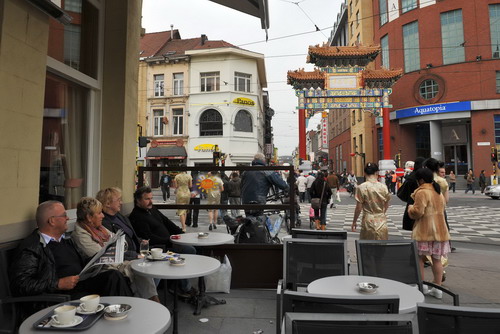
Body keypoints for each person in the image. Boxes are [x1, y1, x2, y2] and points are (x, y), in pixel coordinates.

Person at [10, 201, 133, 299]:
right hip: (59, 296)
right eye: (64, 215)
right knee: (93, 295)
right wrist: (57, 284)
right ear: (52, 221)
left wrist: (100, 258)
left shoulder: (64, 240)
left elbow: (82, 262)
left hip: (79, 284)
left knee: (114, 276)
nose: (68, 218)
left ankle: (125, 314)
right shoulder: (31, 247)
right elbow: (22, 284)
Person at [72, 197, 159, 302]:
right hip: (102, 270)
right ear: (89, 217)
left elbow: (123, 242)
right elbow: (101, 257)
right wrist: (114, 247)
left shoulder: (99, 228)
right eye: (99, 213)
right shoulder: (81, 234)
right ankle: (148, 302)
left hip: (116, 262)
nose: (103, 216)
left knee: (142, 267)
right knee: (139, 269)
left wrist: (113, 246)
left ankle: (151, 301)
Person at [129, 186, 196, 296]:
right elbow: (149, 237)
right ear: (138, 201)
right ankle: (184, 287)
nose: (151, 201)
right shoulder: (137, 216)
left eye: (151, 198)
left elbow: (167, 222)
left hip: (168, 243)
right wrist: (171, 241)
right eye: (147, 199)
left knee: (190, 248)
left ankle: (178, 285)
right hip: (160, 248)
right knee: (189, 250)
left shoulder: (152, 209)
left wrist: (182, 234)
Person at [408, 168, 451, 299]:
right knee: (436, 260)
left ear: (420, 180)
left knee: (420, 259)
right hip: (440, 231)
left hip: (425, 231)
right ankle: (437, 288)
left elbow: (418, 212)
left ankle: (421, 286)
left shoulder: (422, 192)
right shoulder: (438, 191)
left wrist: (410, 208)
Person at [98, 187, 142, 261]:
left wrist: (141, 242)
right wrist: (136, 255)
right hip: (127, 259)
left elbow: (130, 235)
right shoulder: (104, 223)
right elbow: (113, 250)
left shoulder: (119, 216)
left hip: (137, 253)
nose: (121, 203)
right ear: (108, 203)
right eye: (118, 200)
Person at [351, 163, 391, 240]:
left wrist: (354, 221)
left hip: (368, 221)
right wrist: (381, 213)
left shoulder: (361, 187)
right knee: (381, 248)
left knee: (367, 247)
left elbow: (358, 208)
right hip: (381, 221)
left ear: (365, 173)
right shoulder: (383, 187)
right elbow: (386, 204)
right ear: (377, 172)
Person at [397, 157, 425, 231]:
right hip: (421, 206)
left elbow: (402, 193)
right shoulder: (423, 177)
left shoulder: (410, 177)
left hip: (411, 206)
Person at [173, 165, 192, 232]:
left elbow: (176, 186)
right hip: (187, 192)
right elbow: (190, 185)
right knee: (185, 209)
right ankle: (184, 224)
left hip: (180, 192)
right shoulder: (189, 176)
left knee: (181, 210)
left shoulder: (177, 176)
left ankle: (183, 227)